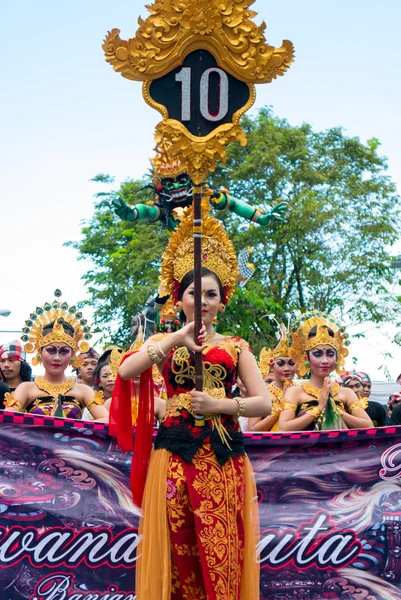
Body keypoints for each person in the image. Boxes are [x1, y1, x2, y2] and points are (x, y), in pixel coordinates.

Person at [111, 207, 269, 599]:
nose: (203, 300)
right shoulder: (169, 342)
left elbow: (264, 404)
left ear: (222, 300)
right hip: (175, 454)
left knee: (221, 550)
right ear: (180, 298)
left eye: (211, 293)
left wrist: (221, 407)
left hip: (222, 455)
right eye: (194, 292)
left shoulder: (236, 346)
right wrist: (178, 337)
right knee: (177, 548)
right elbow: (128, 371)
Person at [4, 290, 109, 421]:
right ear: (40, 352)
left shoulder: (83, 391)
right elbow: (7, 421)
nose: (57, 358)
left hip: (72, 442)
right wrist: (47, 423)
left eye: (64, 351)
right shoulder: (26, 389)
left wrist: (69, 426)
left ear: (73, 355)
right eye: (51, 351)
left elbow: (107, 420)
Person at [279, 312, 373, 431]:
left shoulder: (347, 393)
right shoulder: (295, 392)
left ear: (337, 358)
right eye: (317, 354)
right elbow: (283, 428)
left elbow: (368, 425)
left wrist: (336, 410)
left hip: (341, 449)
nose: (324, 360)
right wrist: (319, 408)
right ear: (306, 358)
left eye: (330, 354)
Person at [249, 325, 298, 432]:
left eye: (291, 363)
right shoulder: (262, 394)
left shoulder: (302, 391)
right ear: (271, 366)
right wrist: (280, 408)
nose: (286, 368)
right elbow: (252, 430)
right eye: (280, 364)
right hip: (270, 446)